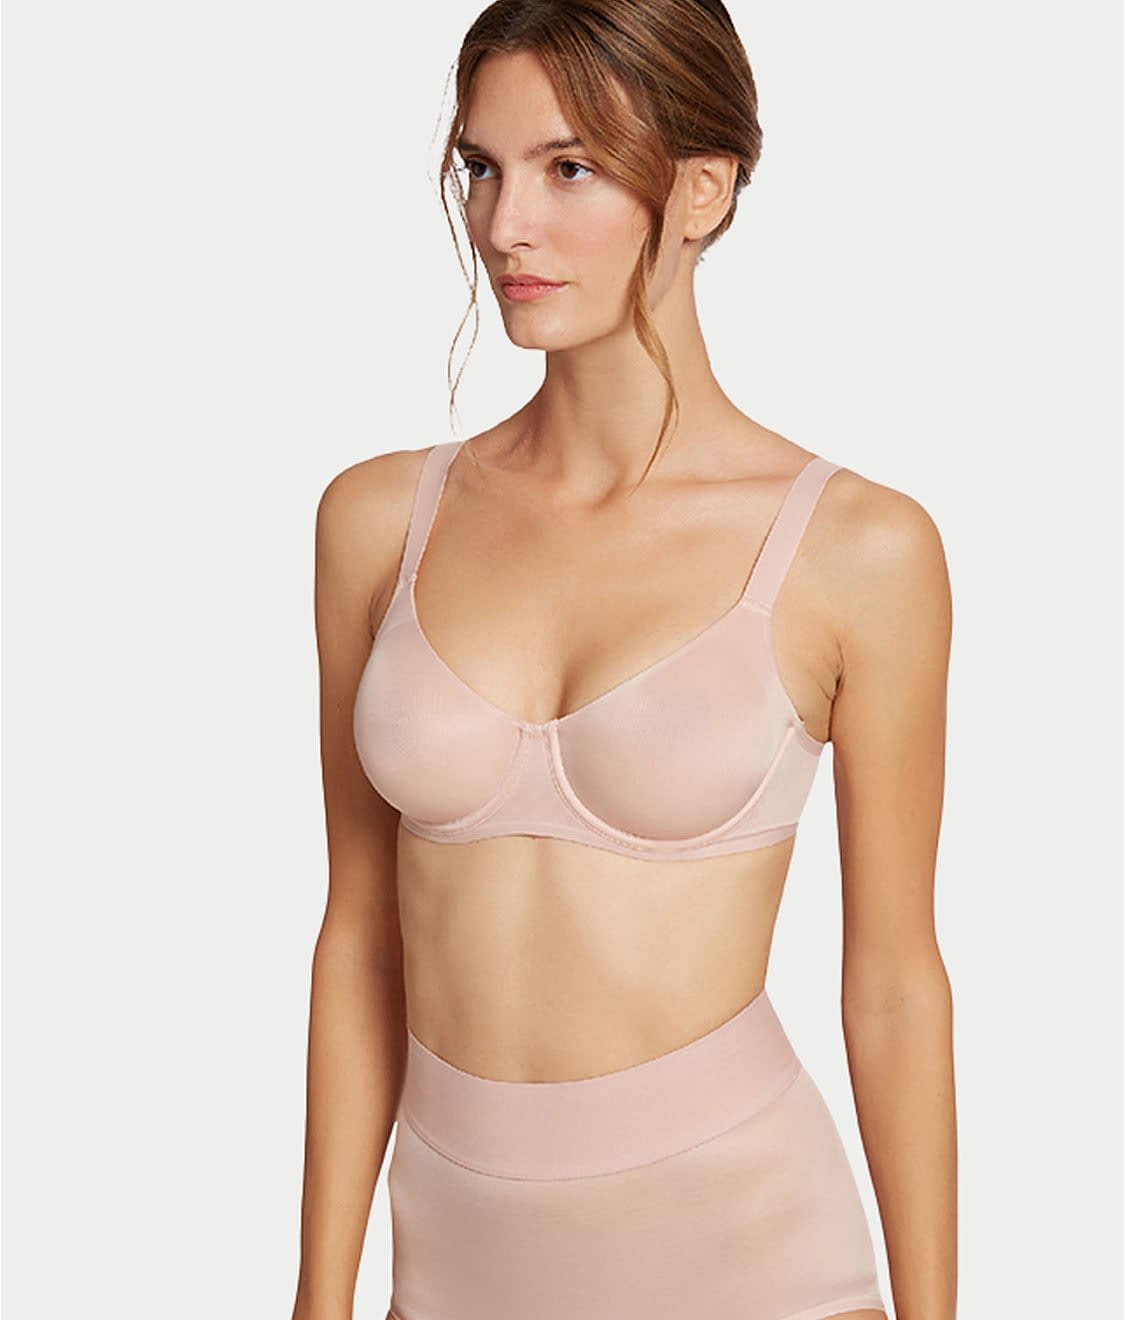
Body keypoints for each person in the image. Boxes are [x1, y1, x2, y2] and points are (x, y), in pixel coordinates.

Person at [291, 3, 957, 1318]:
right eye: (482, 167)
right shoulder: (377, 522)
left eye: (570, 168)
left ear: (702, 190)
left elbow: (892, 985)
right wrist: (317, 1300)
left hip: (757, 1269)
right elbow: (359, 941)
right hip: (458, 1280)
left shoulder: (856, 550)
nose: (505, 225)